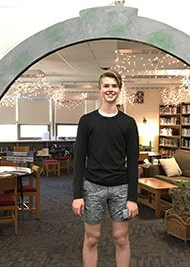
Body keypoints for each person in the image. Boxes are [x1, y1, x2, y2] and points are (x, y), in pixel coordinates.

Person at [72, 70, 139, 267]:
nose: (110, 89)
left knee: (121, 237)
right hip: (92, 187)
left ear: (119, 90)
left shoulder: (128, 123)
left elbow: (133, 163)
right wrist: (77, 195)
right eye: (106, 86)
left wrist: (132, 198)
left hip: (120, 188)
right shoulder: (87, 121)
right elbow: (78, 161)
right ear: (99, 89)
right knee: (92, 238)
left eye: (114, 86)